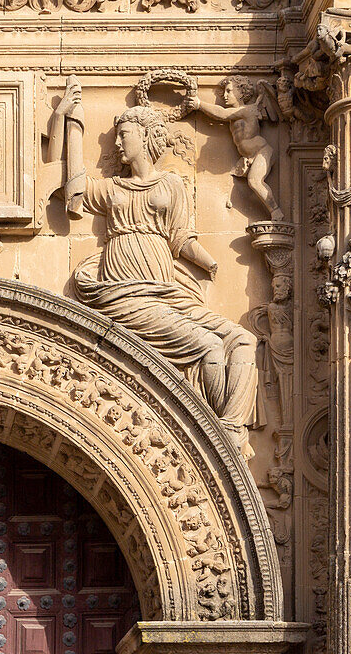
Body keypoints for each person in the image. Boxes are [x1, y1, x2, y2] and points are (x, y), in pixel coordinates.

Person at [68, 103, 259, 459]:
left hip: (165, 290)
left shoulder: (172, 184)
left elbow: (180, 238)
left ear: (147, 137)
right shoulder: (112, 189)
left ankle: (233, 428)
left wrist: (211, 262)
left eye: (124, 135)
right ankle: (220, 438)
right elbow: (76, 189)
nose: (117, 145)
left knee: (243, 339)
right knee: (209, 347)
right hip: (124, 292)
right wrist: (73, 123)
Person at [192, 76, 284, 221]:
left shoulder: (246, 110)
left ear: (241, 92)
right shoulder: (237, 114)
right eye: (224, 92)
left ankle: (276, 212)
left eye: (229, 91)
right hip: (250, 156)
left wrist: (199, 104)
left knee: (254, 181)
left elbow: (221, 113)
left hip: (262, 151)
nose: (225, 95)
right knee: (252, 182)